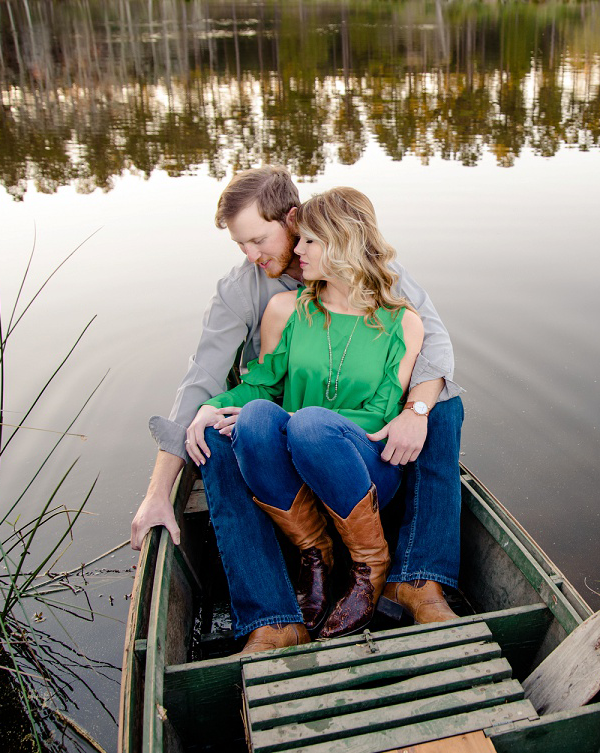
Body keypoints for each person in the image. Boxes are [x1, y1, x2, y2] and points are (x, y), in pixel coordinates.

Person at [129, 167, 464, 654]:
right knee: (213, 440)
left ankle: (417, 578)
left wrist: (415, 409)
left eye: (260, 239)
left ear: (294, 220)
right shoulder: (251, 294)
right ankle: (274, 617)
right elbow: (201, 382)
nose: (251, 256)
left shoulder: (383, 284)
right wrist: (160, 490)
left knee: (444, 405)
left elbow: (434, 347)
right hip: (278, 433)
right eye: (240, 245)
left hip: (351, 440)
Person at [202, 186, 423, 638]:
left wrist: (311, 426)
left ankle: (369, 568)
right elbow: (261, 385)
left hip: (365, 465)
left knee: (308, 424)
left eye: (307, 241)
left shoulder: (403, 322)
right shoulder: (285, 310)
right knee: (258, 415)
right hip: (295, 457)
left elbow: (383, 414)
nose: (296, 250)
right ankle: (314, 555)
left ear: (341, 242)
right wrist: (211, 406)